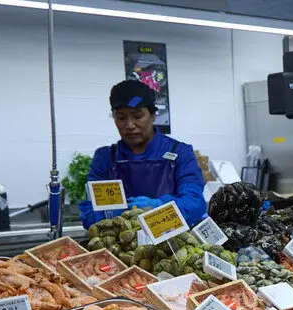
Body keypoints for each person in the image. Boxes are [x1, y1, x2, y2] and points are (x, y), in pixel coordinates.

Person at [79, 79, 207, 228]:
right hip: (121, 244)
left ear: (153, 115)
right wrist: (116, 214)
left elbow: (194, 203)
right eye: (121, 118)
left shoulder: (179, 153)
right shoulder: (106, 158)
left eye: (138, 116)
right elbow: (88, 213)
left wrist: (157, 207)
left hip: (171, 241)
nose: (130, 125)